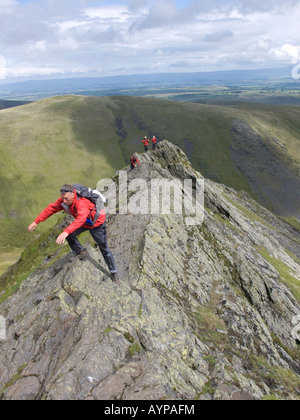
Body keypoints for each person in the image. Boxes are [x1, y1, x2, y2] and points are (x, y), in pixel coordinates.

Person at [28, 184, 119, 283]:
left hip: (96, 223)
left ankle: (114, 272)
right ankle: (80, 252)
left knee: (104, 248)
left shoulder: (81, 203)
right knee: (70, 235)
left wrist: (66, 231)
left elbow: (81, 218)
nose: (64, 201)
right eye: (62, 198)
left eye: (66, 199)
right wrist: (36, 221)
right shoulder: (64, 201)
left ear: (73, 195)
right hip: (84, 222)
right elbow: (51, 209)